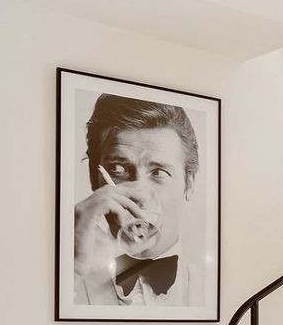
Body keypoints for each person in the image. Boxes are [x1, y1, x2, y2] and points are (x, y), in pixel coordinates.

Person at [72, 95, 202, 307]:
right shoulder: (66, 274)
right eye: (118, 169)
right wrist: (74, 269)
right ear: (94, 178)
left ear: (189, 184)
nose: (138, 195)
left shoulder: (215, 290)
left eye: (158, 172)